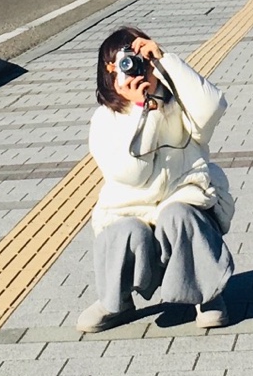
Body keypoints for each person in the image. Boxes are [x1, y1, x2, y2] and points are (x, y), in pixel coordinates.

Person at [77, 25, 235, 333]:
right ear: (109, 76)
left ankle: (208, 295)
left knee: (179, 214)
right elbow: (132, 174)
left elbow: (214, 107)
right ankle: (115, 301)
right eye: (125, 65)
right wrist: (142, 111)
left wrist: (165, 60)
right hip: (130, 211)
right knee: (124, 230)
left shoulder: (177, 103)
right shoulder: (104, 121)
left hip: (183, 206)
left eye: (141, 62)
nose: (136, 71)